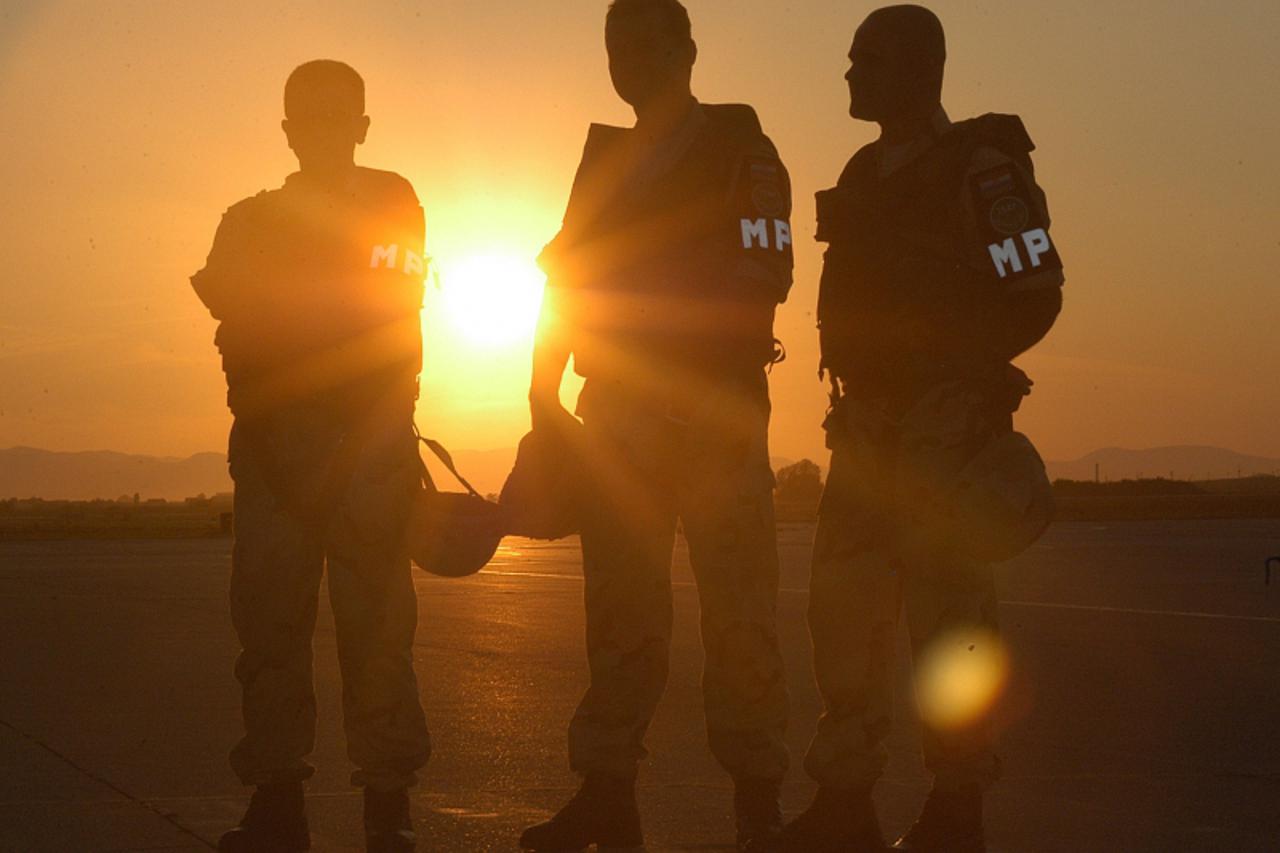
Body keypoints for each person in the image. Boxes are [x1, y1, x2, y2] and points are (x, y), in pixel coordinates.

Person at [784, 6, 1064, 853]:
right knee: (843, 614)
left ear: (916, 70)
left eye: (864, 60)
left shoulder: (981, 166)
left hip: (943, 429)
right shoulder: (865, 173)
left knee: (952, 623)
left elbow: (1037, 287)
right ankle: (846, 801)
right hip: (867, 428)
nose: (848, 75)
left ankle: (956, 808)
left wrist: (962, 379)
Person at [520, 1, 795, 850]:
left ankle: (757, 812)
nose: (625, 61)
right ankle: (608, 798)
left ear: (686, 50)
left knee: (740, 614)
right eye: (614, 47)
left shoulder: (743, 149)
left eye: (642, 44)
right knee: (621, 615)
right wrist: (540, 391)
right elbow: (565, 281)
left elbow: (767, 269)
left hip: (712, 416)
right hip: (617, 420)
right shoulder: (604, 161)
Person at [191, 60, 431, 853]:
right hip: (274, 454)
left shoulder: (394, 202)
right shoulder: (244, 220)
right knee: (270, 629)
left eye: (340, 116)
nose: (326, 131)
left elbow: (394, 305)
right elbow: (236, 316)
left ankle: (387, 804)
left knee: (378, 632)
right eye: (311, 117)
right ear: (288, 130)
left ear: (363, 127)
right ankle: (277, 800)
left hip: (365, 448)